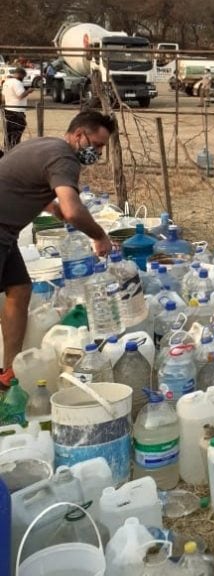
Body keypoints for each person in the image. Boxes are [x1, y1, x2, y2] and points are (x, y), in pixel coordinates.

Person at [0, 110, 116, 387]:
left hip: (7, 233)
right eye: (97, 145)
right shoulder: (64, 158)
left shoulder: (43, 144)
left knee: (19, 289)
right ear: (79, 135)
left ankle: (9, 371)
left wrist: (50, 206)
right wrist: (100, 236)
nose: (97, 153)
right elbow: (74, 211)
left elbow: (19, 180)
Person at [2, 67, 35, 150]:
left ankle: (8, 148)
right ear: (20, 74)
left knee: (9, 131)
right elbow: (20, 96)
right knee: (17, 129)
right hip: (17, 110)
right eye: (23, 76)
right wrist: (29, 91)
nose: (23, 78)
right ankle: (14, 148)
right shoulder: (17, 83)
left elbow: (3, 95)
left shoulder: (7, 82)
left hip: (8, 109)